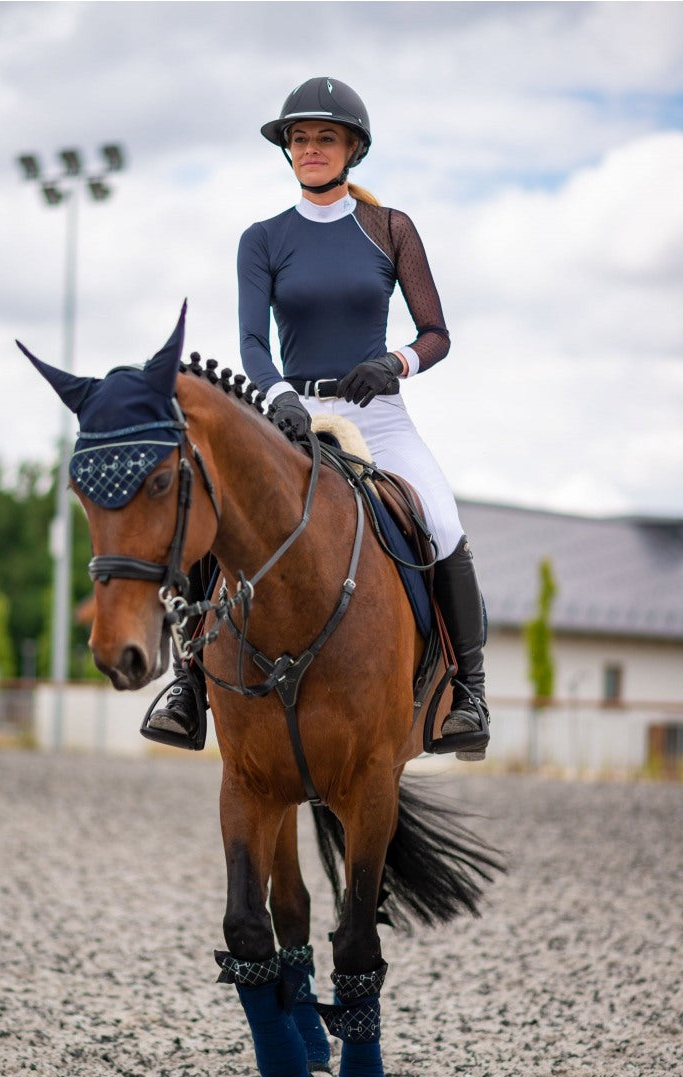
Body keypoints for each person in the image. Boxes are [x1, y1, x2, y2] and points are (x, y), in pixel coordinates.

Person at [144, 76, 489, 760]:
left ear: (353, 148)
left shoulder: (391, 229)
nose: (310, 149)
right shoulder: (263, 238)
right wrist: (278, 397)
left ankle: (468, 692)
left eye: (324, 138)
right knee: (216, 518)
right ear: (288, 151)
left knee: (443, 522)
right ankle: (188, 684)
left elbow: (436, 334)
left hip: (378, 415)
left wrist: (395, 364)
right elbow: (250, 341)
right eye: (299, 139)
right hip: (288, 411)